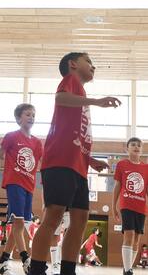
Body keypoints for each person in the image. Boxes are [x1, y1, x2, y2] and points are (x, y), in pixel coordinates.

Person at [29, 52, 121, 275]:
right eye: (88, 61)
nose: (93, 66)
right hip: (59, 163)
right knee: (54, 216)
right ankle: (36, 269)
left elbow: (74, 137)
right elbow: (60, 98)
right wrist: (97, 101)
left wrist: (90, 160)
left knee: (80, 219)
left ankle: (68, 270)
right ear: (72, 64)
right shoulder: (70, 82)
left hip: (77, 166)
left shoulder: (80, 92)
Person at [0, 103, 43, 275]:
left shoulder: (37, 143)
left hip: (29, 186)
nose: (31, 117)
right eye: (27, 114)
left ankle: (2, 263)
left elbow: (42, 165)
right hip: (14, 183)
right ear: (19, 119)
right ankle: (27, 260)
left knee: (19, 226)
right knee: (18, 223)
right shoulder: (12, 137)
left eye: (33, 115)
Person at [112, 137, 148, 275]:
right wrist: (114, 206)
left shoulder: (146, 167)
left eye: (139, 145)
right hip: (126, 205)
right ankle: (128, 270)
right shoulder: (122, 165)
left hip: (141, 208)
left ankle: (128, 267)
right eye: (133, 144)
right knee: (129, 234)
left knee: (137, 238)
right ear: (127, 148)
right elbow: (117, 186)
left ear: (142, 149)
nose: (136, 147)